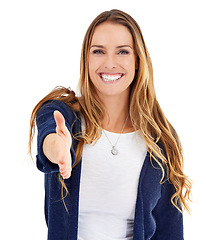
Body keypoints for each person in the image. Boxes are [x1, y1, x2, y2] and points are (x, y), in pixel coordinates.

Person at [29, 9, 191, 240]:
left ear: (137, 60)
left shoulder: (160, 139)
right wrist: (59, 150)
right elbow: (49, 137)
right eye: (98, 51)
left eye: (123, 52)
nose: (110, 63)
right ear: (87, 58)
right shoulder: (62, 115)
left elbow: (169, 230)